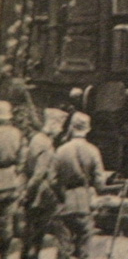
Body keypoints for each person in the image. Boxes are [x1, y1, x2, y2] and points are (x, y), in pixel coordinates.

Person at [50, 112, 105, 259]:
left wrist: (60, 194)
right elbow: (100, 182)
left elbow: (52, 179)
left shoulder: (61, 150)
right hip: (84, 203)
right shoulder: (93, 151)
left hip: (64, 202)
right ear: (88, 129)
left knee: (64, 249)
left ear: (71, 127)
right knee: (84, 249)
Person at [21, 107, 68, 259]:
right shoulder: (46, 143)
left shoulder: (36, 139)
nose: (60, 130)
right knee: (55, 228)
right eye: (60, 125)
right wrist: (29, 192)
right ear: (54, 125)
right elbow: (39, 173)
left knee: (31, 234)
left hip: (34, 192)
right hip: (42, 194)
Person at [0, 101, 25, 259]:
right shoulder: (17, 133)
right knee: (7, 222)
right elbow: (22, 160)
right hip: (10, 181)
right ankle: (5, 252)